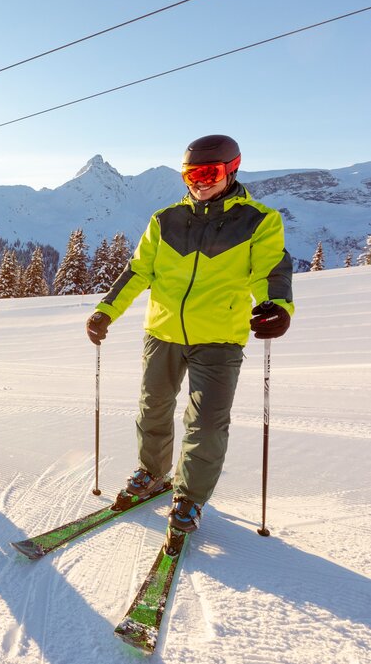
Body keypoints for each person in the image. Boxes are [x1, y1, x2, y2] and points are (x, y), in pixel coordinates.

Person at [86, 134, 293, 535]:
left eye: (209, 172)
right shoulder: (165, 220)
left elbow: (271, 270)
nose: (199, 181)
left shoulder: (258, 220)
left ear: (232, 169)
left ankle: (189, 497)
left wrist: (277, 306)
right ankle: (152, 474)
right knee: (153, 410)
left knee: (207, 423)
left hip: (219, 338)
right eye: (190, 173)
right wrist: (105, 310)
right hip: (162, 333)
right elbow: (138, 271)